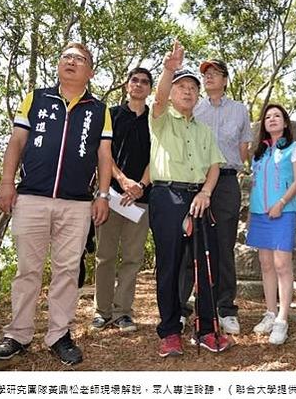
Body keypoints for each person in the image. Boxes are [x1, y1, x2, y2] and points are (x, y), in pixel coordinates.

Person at [0, 42, 112, 365]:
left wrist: (101, 195)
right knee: (27, 269)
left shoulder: (99, 110)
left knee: (67, 271)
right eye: (66, 56)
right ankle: (17, 334)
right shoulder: (37, 98)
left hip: (76, 203)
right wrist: (6, 183)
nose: (71, 62)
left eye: (79, 59)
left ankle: (59, 334)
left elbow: (103, 155)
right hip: (31, 197)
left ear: (90, 71)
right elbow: (17, 140)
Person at [149, 41, 231, 357]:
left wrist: (206, 193)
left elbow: (214, 166)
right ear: (171, 92)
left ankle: (207, 330)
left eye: (192, 89)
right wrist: (170, 68)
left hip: (199, 199)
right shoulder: (160, 118)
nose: (187, 92)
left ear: (198, 97)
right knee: (169, 266)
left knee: (205, 264)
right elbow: (157, 98)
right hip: (166, 197)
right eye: (181, 87)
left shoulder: (203, 130)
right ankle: (170, 332)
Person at [179, 59, 252, 335]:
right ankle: (183, 308)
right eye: (205, 74)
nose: (208, 77)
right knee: (189, 245)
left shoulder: (239, 110)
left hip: (226, 183)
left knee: (223, 247)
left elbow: (244, 148)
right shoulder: (194, 108)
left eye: (214, 73)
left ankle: (225, 308)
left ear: (225, 79)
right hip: (194, 182)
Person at [91, 67, 153, 333]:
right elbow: (101, 152)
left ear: (150, 89)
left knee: (132, 258)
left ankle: (123, 313)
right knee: (104, 256)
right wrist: (122, 180)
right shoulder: (111, 115)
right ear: (127, 85)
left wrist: (140, 185)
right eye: (134, 80)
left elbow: (159, 157)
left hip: (141, 199)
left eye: (144, 82)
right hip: (109, 196)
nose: (139, 85)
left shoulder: (157, 120)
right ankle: (101, 312)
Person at [246, 104, 296, 345]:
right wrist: (251, 212)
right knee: (266, 264)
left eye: (277, 116)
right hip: (259, 215)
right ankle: (270, 312)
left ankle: (282, 319)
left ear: (285, 122)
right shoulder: (259, 153)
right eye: (268, 117)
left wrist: (281, 202)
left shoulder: (294, 148)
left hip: (283, 212)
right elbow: (254, 185)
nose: (272, 119)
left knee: (282, 265)